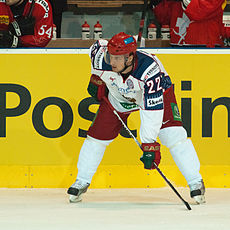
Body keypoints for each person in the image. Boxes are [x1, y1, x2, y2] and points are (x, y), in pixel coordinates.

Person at [67, 32, 205, 204]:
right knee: (96, 137)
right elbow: (98, 43)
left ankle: (195, 182)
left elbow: (151, 112)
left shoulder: (150, 70)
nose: (113, 62)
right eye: (111, 56)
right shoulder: (100, 57)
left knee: (173, 135)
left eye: (118, 58)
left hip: (158, 95)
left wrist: (149, 144)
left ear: (131, 57)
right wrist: (96, 80)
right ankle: (82, 180)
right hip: (119, 98)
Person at [151, 0, 226, 47]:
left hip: (205, 47)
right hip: (177, 46)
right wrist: (157, 2)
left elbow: (199, 12)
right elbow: (164, 19)